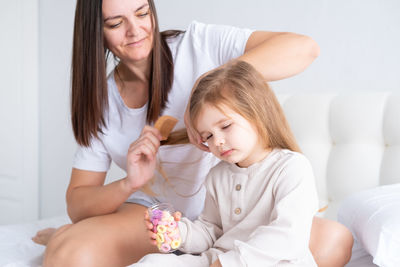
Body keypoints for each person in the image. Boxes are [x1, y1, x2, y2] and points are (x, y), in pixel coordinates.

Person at [34, 0, 352, 266]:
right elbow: (78, 204)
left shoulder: (198, 44)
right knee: (67, 253)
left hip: (235, 215)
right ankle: (61, 236)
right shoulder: (101, 102)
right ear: (96, 33)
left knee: (333, 242)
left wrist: (207, 86)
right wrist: (129, 183)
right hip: (160, 216)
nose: (135, 30)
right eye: (116, 23)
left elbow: (304, 48)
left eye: (142, 13)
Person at [135, 60, 343, 267]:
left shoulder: (291, 167)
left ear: (256, 112)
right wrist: (179, 232)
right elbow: (211, 230)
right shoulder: (217, 175)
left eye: (225, 126)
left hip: (274, 262)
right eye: (208, 136)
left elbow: (288, 236)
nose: (217, 141)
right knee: (151, 262)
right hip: (218, 259)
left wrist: (230, 263)